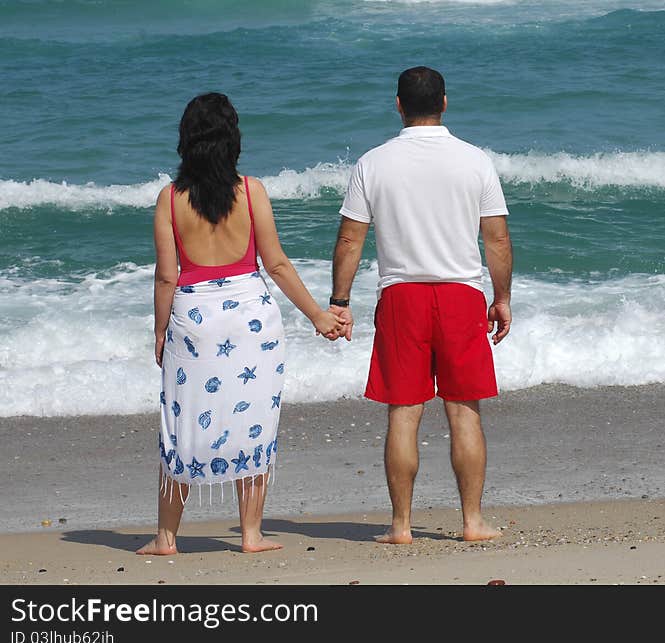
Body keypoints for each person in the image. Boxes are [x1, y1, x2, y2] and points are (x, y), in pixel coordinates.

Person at [138, 92, 345, 555]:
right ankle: (251, 533)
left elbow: (167, 275)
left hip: (194, 319)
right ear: (234, 140)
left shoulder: (169, 200)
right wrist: (317, 315)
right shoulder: (251, 191)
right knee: (254, 419)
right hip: (252, 316)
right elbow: (277, 264)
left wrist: (159, 330)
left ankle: (166, 537)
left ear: (186, 141)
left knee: (182, 423)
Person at [329, 66, 513, 544]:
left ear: (398, 105)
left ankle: (401, 526)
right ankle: (472, 522)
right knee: (464, 411)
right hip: (462, 294)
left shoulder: (373, 162)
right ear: (445, 103)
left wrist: (340, 301)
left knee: (403, 412)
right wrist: (502, 298)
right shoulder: (475, 160)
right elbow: (496, 237)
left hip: (401, 295)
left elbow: (351, 239)